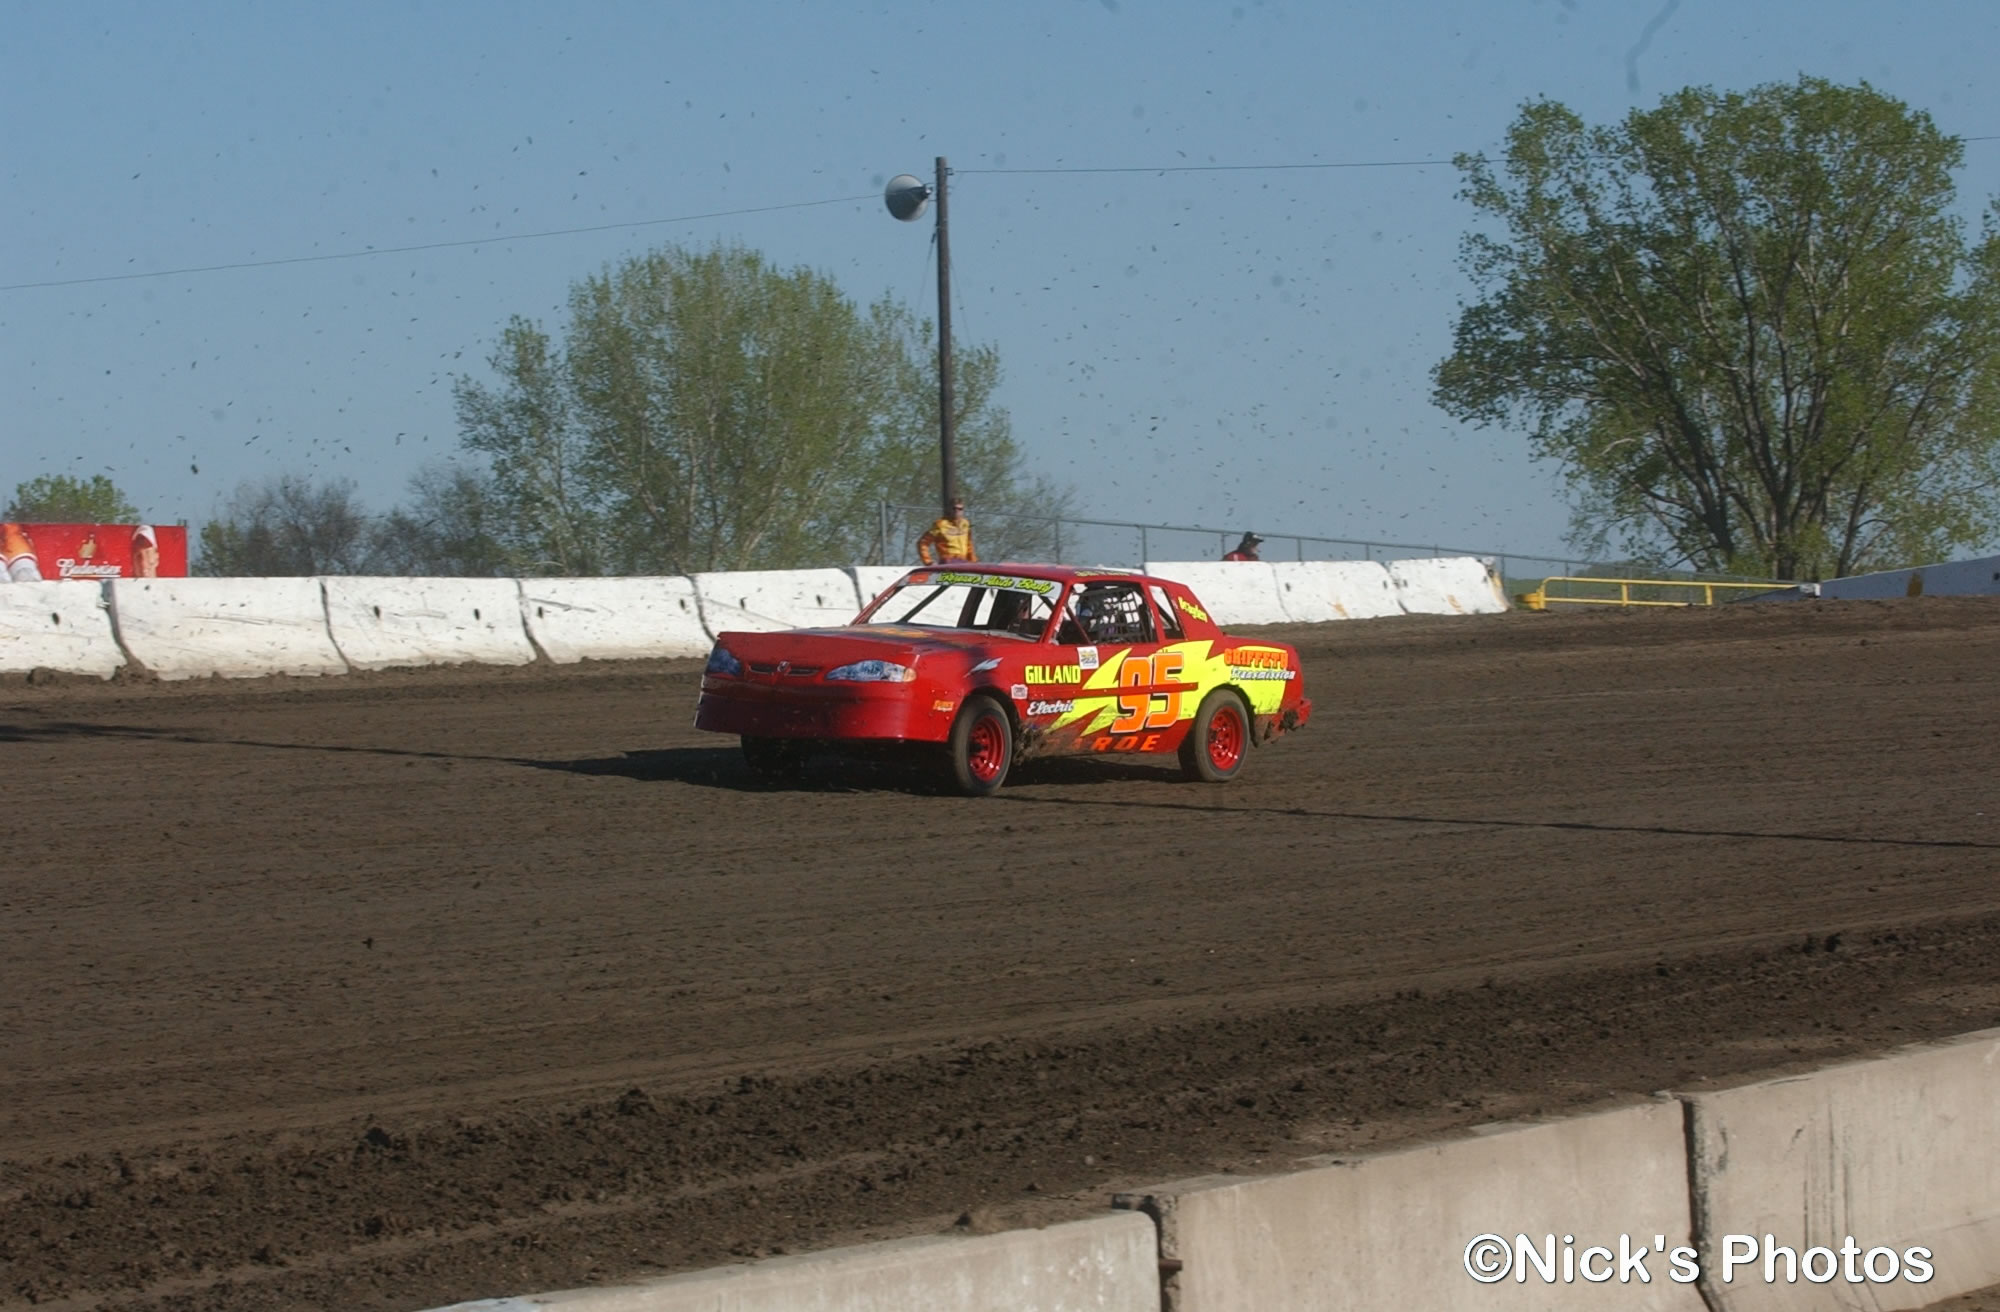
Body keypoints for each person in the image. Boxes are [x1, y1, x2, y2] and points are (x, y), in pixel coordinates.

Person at [917, 496, 977, 565]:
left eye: (960, 509)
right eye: (954, 508)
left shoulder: (965, 524)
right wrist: (928, 561)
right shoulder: (941, 524)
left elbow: (969, 544)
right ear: (949, 509)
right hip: (948, 561)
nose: (957, 511)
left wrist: (973, 561)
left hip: (964, 561)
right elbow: (923, 542)